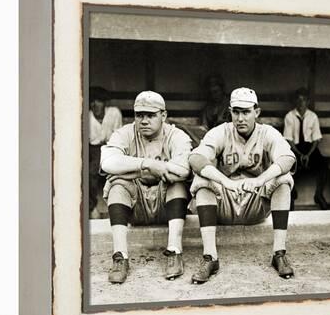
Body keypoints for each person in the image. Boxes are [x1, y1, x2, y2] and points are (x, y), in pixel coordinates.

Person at [188, 87, 296, 283]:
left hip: (255, 201)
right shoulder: (221, 132)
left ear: (257, 112)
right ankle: (210, 257)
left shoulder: (267, 133)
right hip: (226, 201)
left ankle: (279, 253)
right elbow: (196, 159)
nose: (240, 118)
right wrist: (225, 181)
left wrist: (260, 180)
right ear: (230, 112)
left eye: (246, 112)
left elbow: (288, 159)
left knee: (284, 180)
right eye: (236, 112)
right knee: (202, 181)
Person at [100, 91, 192, 283]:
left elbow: (182, 169)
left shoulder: (176, 135)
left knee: (177, 183)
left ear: (163, 116)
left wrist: (129, 168)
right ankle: (120, 256)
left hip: (166, 206)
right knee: (117, 184)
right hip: (135, 206)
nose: (144, 120)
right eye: (139, 115)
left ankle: (174, 251)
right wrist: (147, 165)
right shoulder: (124, 133)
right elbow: (107, 162)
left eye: (150, 115)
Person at [283, 88, 328, 210]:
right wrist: (299, 154)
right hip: (295, 148)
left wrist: (308, 155)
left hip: (310, 148)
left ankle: (319, 195)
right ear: (295, 101)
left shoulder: (313, 116)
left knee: (323, 164)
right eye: (298, 100)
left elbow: (316, 139)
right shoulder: (289, 116)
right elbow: (289, 139)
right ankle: (291, 194)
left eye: (304, 100)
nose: (301, 103)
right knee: (288, 164)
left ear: (308, 102)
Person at [88, 87, 123, 219]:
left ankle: (119, 207)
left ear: (105, 103)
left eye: (99, 101)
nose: (95, 104)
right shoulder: (87, 116)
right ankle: (92, 208)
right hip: (94, 149)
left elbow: (118, 136)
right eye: (92, 101)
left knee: (120, 173)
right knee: (90, 173)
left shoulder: (114, 113)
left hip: (112, 147)